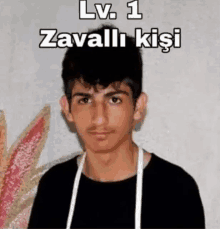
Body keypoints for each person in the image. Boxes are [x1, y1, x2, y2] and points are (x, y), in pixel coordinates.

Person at [28, 24, 205, 228]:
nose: (99, 119)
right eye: (85, 100)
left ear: (138, 106)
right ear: (67, 109)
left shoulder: (176, 190)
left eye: (114, 100)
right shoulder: (55, 187)